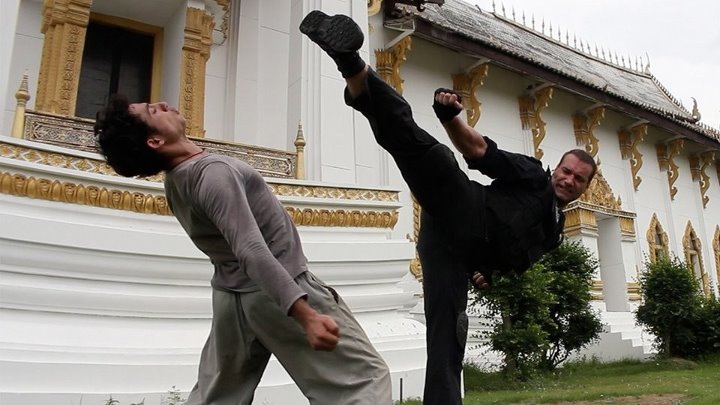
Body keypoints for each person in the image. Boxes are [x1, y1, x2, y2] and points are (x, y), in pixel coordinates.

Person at [299, 10, 596, 405]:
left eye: (578, 178)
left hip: (453, 256)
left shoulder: (554, 232)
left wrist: (488, 271)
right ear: (557, 168)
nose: (568, 179)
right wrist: (451, 117)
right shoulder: (531, 174)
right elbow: (479, 150)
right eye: (566, 171)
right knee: (426, 149)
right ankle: (350, 62)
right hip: (459, 205)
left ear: (585, 188)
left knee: (449, 334)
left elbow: (513, 257)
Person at [93, 96, 392, 405]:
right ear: (155, 141)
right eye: (153, 111)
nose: (163, 103)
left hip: (230, 300)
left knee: (219, 398)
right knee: (363, 381)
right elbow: (250, 249)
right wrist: (306, 315)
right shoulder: (212, 172)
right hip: (277, 290)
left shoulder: (176, 181)